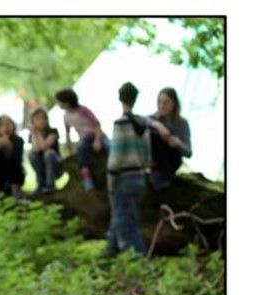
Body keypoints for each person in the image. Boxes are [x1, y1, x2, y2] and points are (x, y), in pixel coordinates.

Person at [103, 82, 170, 257]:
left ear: (120, 98)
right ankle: (108, 254)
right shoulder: (143, 123)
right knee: (122, 218)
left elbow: (115, 157)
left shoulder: (121, 123)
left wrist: (110, 180)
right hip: (139, 176)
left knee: (125, 224)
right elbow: (148, 155)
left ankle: (138, 260)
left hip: (122, 178)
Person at [55, 88, 107, 191]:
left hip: (96, 135)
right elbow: (67, 132)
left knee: (108, 147)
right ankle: (87, 179)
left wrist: (97, 140)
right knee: (82, 151)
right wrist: (69, 146)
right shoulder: (66, 116)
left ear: (66, 102)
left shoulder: (83, 111)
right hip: (84, 139)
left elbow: (97, 125)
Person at [148, 87, 193, 191]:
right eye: (160, 102)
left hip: (171, 160)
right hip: (153, 159)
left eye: (166, 103)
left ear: (174, 104)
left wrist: (178, 143)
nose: (162, 106)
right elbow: (141, 120)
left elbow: (189, 153)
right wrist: (158, 126)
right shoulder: (153, 118)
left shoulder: (182, 123)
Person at [0, 115, 25, 199]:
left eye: (8, 124)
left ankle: (16, 193)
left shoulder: (18, 140)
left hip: (15, 174)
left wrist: (9, 146)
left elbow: (17, 157)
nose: (6, 127)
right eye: (2, 125)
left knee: (11, 161)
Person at [27, 106, 62, 194]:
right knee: (32, 154)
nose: (42, 120)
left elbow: (44, 147)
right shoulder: (32, 135)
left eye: (44, 118)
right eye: (38, 118)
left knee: (49, 153)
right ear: (33, 122)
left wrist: (36, 132)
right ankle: (41, 184)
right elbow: (36, 149)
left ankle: (50, 185)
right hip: (42, 167)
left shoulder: (53, 132)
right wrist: (34, 132)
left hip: (55, 165)